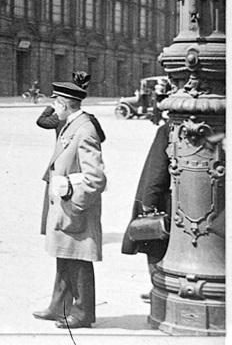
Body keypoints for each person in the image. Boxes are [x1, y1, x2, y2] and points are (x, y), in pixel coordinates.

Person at [33, 73, 106, 330]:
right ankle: (59, 306)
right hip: (64, 204)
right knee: (64, 254)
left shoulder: (84, 130)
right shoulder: (71, 124)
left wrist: (76, 204)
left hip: (74, 206)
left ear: (63, 105)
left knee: (79, 258)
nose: (53, 108)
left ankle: (83, 312)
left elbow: (95, 178)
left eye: (55, 104)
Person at [121, 123, 170, 303]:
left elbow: (156, 169)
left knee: (154, 245)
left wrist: (148, 202)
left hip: (166, 200)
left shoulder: (168, 129)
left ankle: (159, 290)